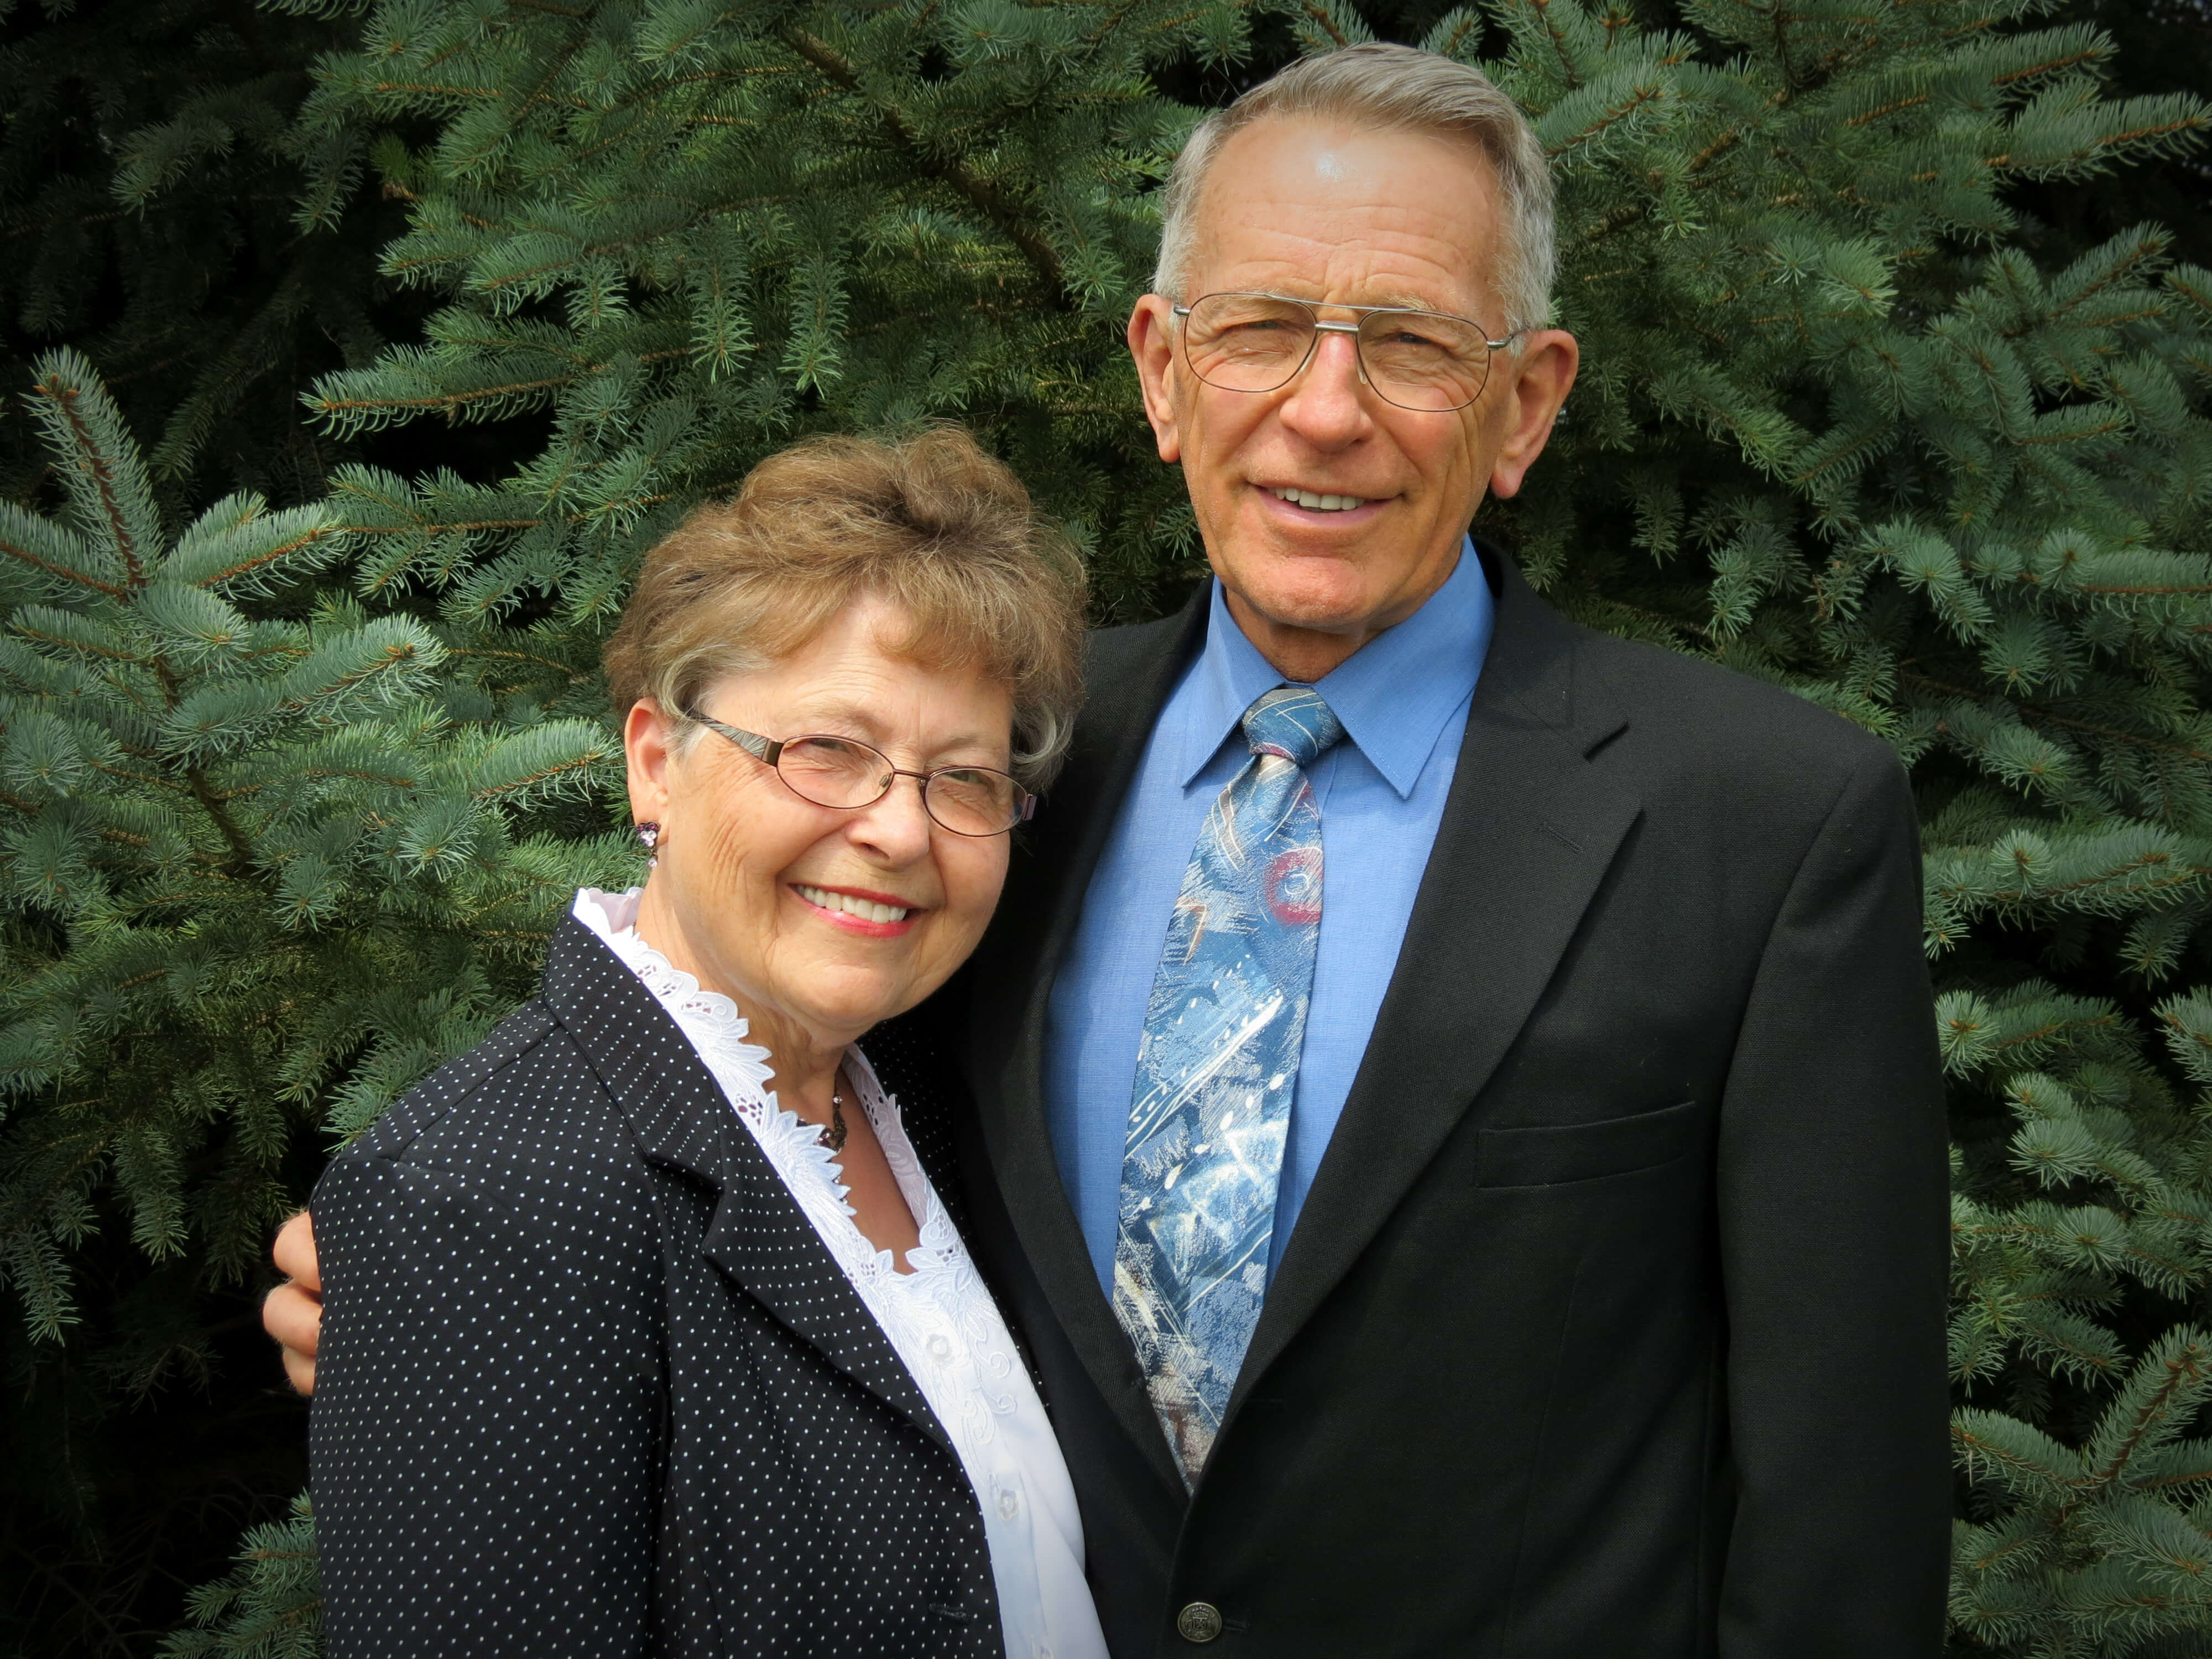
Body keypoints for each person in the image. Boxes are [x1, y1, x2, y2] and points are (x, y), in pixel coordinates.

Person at [269, 42, 1953, 1657]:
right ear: (1160, 370)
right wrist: (461, 1284)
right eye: (1262, 329)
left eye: (1413, 346)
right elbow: (776, 1096)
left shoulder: (1762, 822)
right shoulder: (999, 771)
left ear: (1524, 405)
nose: (1325, 410)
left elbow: (1839, 1509)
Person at [292, 426, 1106, 1658]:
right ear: (655, 765)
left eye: (963, 779)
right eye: (827, 751)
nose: (901, 832)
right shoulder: (479, 1199)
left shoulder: (935, 1103)